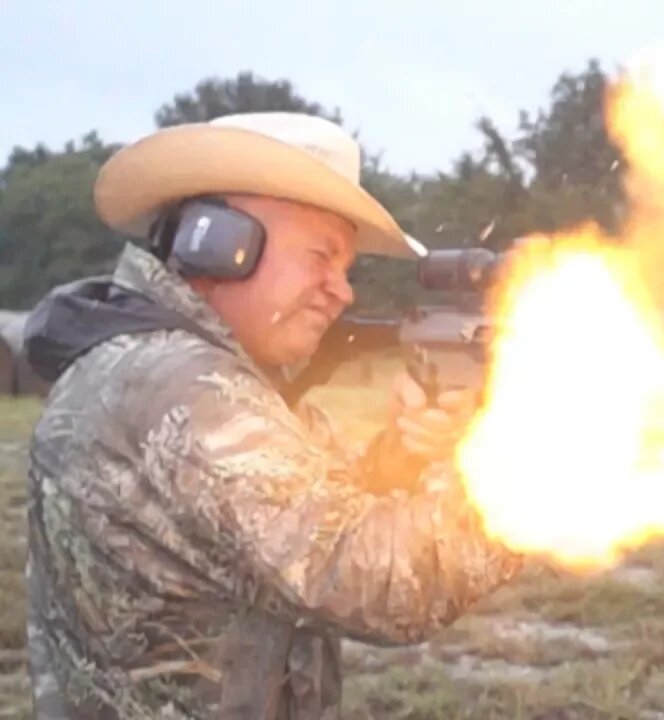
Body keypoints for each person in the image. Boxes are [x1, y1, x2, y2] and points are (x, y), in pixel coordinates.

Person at [19, 112, 525, 718]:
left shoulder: (159, 365)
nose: (343, 290)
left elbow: (300, 514)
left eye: (345, 267)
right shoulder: (188, 391)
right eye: (321, 256)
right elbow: (382, 583)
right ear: (220, 243)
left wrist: (403, 456)